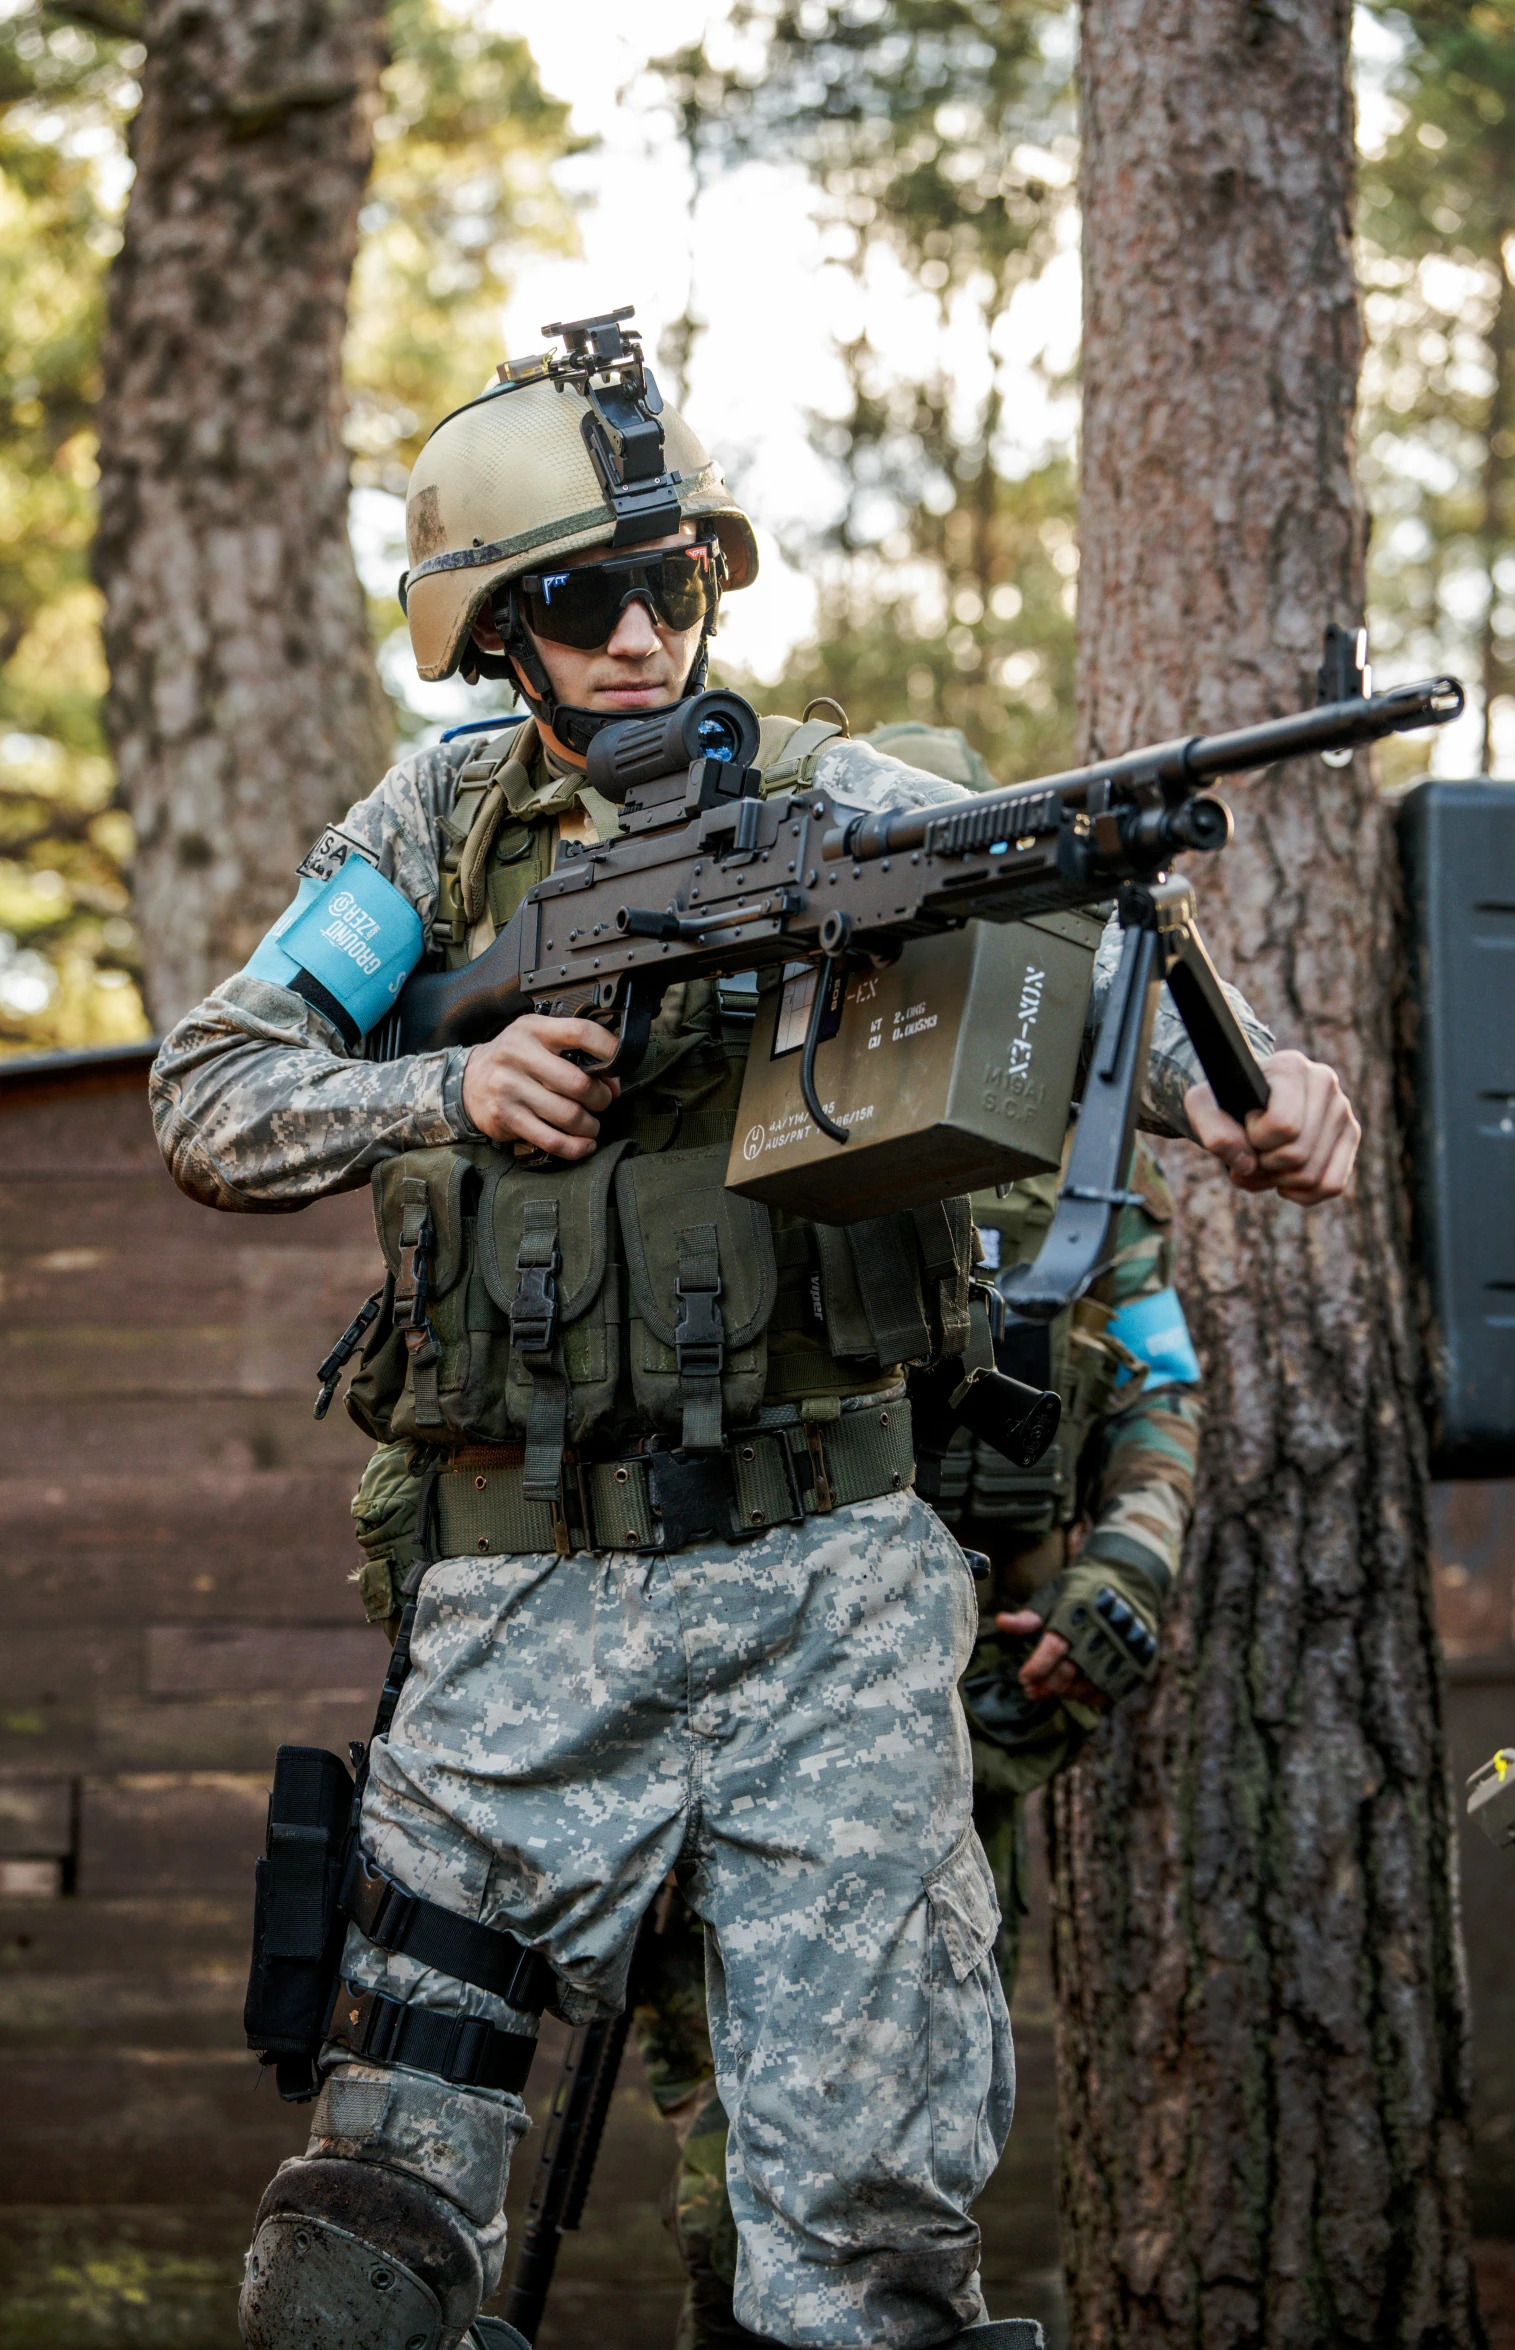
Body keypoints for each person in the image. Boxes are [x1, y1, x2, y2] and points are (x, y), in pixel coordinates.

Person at [150, 312, 1360, 2350]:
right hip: (523, 1599)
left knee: (865, 2253)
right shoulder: (433, 839)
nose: (643, 631)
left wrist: (1256, 1083)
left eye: (676, 577)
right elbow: (209, 1090)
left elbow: (1054, 922)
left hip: (834, 1598)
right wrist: (443, 1086)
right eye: (585, 595)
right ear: (493, 634)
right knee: (365, 2235)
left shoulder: (836, 795)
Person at [627, 731, 1205, 2350]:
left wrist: (1124, 1576)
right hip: (759, 1689)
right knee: (739, 2158)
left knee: (918, 2117)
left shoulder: (1070, 1124)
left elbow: (1158, 1379)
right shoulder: (761, 1085)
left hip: (979, 1711)